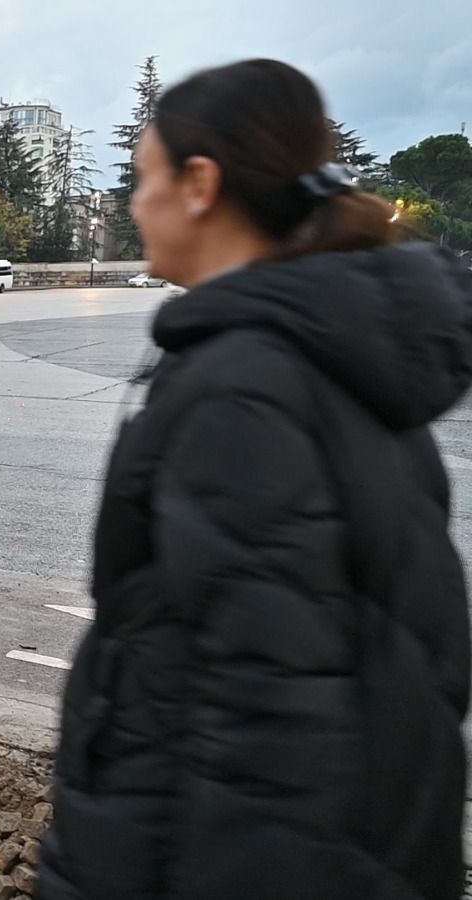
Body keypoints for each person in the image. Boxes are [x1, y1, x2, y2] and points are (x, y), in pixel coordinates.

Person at [39, 59, 472, 900]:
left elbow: (269, 719)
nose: (134, 206)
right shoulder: (333, 346)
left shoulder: (244, 384)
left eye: (142, 179)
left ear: (200, 183)